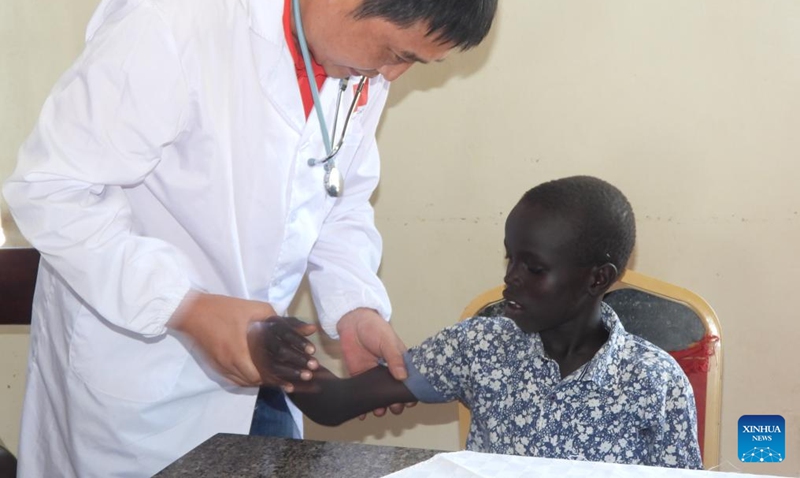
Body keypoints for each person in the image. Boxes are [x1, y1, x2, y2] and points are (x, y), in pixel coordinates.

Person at [2, 0, 499, 477]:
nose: (391, 75)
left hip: (262, 370)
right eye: (396, 53)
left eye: (413, 62)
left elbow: (340, 192)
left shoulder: (352, 51)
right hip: (137, 372)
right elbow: (51, 191)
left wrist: (354, 304)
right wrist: (184, 306)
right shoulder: (176, 15)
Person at [263, 176, 703, 469]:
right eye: (510, 257)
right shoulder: (481, 348)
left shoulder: (653, 382)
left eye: (533, 268)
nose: (510, 277)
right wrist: (281, 354)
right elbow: (335, 404)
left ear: (597, 279)